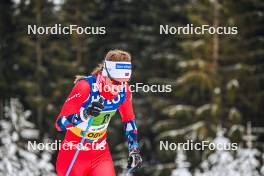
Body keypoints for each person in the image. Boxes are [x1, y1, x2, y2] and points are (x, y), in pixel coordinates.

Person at [55, 49, 142, 176]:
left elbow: (129, 121)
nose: (119, 87)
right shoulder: (85, 87)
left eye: (124, 82)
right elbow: (59, 124)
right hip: (74, 152)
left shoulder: (124, 91)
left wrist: (134, 150)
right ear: (105, 74)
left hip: (100, 153)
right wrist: (84, 114)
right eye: (115, 82)